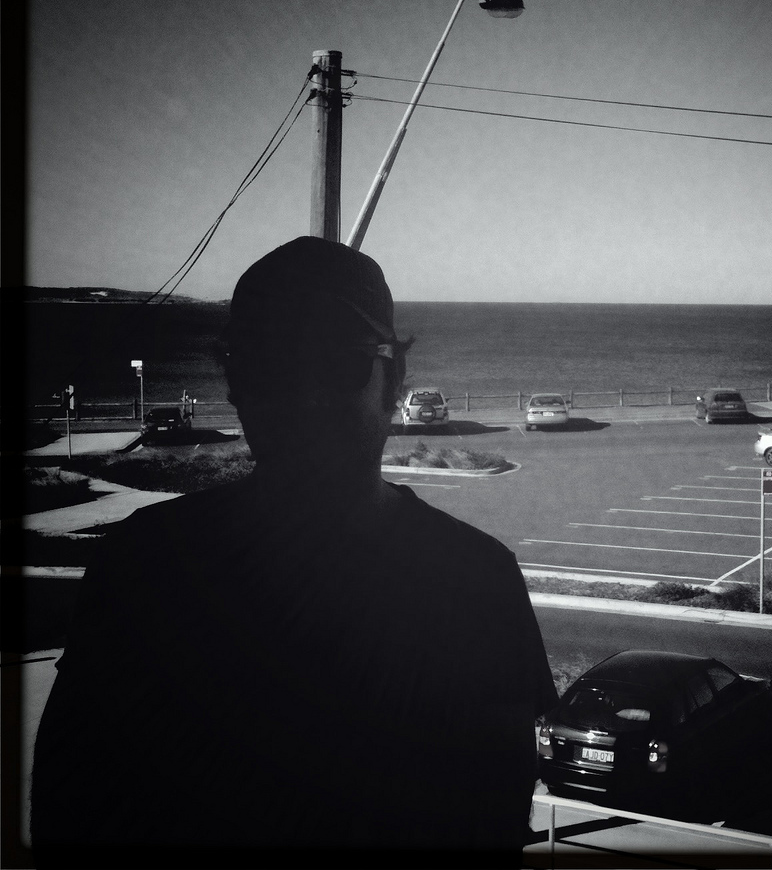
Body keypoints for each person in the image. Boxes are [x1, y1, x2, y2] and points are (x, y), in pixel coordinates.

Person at [31, 236, 557, 869]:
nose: (304, 395)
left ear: (393, 381)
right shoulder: (141, 568)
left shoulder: (480, 586)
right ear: (236, 384)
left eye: (338, 361)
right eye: (266, 363)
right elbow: (72, 804)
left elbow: (493, 821)